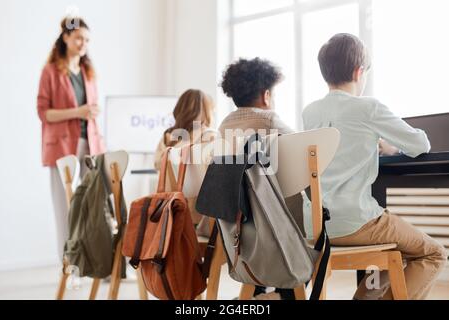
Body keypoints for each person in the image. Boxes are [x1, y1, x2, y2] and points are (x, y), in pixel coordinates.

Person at [302, 33, 447, 300]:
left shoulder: (310, 112)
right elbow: (420, 144)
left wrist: (373, 143)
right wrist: (385, 143)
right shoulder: (368, 107)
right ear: (359, 72)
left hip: (314, 226)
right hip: (356, 222)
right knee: (434, 253)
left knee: (395, 243)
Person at [219, 57, 295, 300]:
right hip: (274, 221)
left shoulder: (223, 126)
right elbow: (304, 149)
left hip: (238, 221)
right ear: (266, 95)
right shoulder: (270, 120)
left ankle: (260, 291)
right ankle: (283, 293)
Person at [37, 17, 105, 261]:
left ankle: (100, 263)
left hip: (91, 144)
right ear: (65, 38)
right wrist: (79, 111)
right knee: (66, 208)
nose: (83, 43)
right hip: (62, 148)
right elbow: (43, 112)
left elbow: (92, 109)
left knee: (96, 205)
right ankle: (70, 264)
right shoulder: (51, 71)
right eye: (78, 38)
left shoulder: (88, 71)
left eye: (87, 39)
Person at [154, 89, 215, 233]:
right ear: (206, 111)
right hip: (199, 217)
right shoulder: (210, 136)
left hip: (169, 212)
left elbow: (157, 163)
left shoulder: (169, 136)